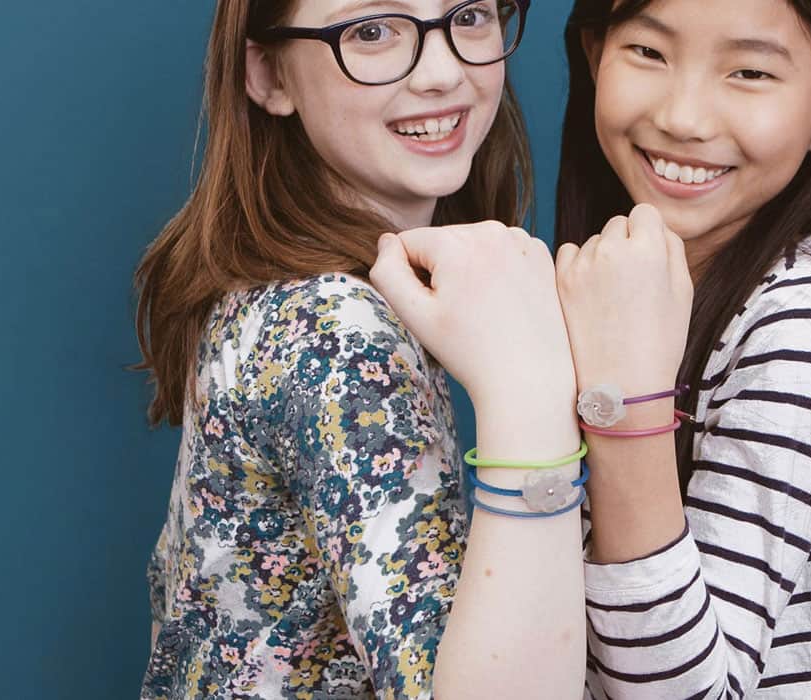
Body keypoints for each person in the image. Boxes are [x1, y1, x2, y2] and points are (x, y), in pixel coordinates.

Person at [372, 0, 811, 696]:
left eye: (749, 72)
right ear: (593, 54)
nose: (684, 116)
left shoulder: (804, 322)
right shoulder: (613, 287)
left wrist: (626, 407)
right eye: (648, 53)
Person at [136, 1, 586, 697]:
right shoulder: (335, 333)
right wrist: (530, 394)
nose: (442, 72)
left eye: (468, 16)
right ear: (268, 73)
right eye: (370, 31)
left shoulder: (305, 289)